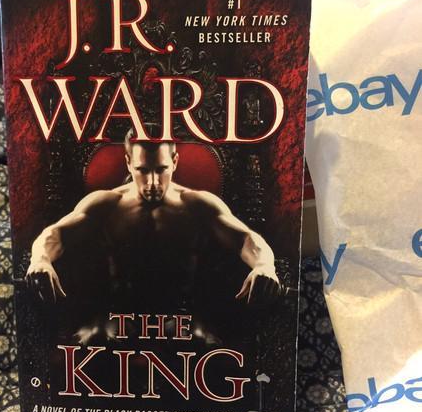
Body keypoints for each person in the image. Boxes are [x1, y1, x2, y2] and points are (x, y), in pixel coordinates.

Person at [26, 128, 280, 310]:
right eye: (142, 170)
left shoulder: (198, 204)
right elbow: (55, 234)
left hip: (185, 320)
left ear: (175, 162)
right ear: (128, 163)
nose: (153, 182)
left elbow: (246, 239)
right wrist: (40, 260)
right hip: (117, 318)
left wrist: (264, 266)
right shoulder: (106, 203)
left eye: (161, 169)